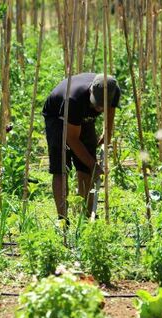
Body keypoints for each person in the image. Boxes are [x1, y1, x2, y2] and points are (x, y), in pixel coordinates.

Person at [42, 73, 121, 220]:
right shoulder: (74, 99)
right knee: (61, 168)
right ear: (91, 91)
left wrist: (107, 132)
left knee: (86, 167)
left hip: (82, 115)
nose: (99, 109)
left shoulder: (113, 90)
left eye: (102, 106)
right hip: (58, 117)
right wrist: (94, 165)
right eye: (97, 104)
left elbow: (111, 109)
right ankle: (62, 219)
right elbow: (71, 139)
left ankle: (87, 215)